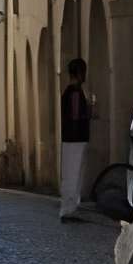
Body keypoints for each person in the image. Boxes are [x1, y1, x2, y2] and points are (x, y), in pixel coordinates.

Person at [57, 59, 96, 220]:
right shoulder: (74, 92)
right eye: (84, 72)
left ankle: (71, 207)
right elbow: (76, 116)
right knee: (73, 173)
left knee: (73, 173)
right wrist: (89, 109)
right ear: (79, 73)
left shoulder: (73, 91)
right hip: (75, 138)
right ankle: (68, 208)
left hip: (72, 138)